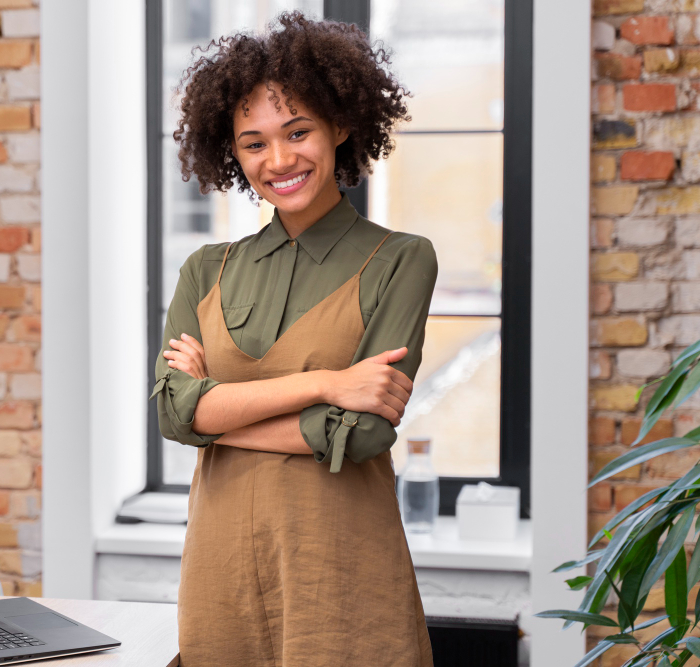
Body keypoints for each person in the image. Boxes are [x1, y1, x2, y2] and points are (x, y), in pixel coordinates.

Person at [150, 11, 438, 667]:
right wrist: (327, 385)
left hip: (341, 576)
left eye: (298, 132)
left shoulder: (401, 259)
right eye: (253, 143)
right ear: (232, 153)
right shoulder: (205, 270)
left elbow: (363, 433)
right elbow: (172, 413)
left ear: (341, 125)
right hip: (219, 576)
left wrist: (213, 413)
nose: (279, 160)